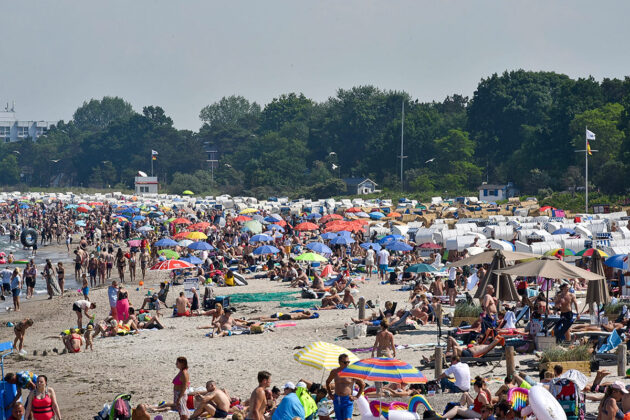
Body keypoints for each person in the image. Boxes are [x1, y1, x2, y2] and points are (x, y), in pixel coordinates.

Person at [326, 354, 364, 420]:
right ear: (339, 362)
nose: (347, 364)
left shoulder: (352, 372)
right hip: (337, 399)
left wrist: (357, 396)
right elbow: (327, 382)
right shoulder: (335, 372)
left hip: (347, 399)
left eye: (348, 362)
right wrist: (330, 393)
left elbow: (362, 384)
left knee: (347, 419)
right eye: (345, 362)